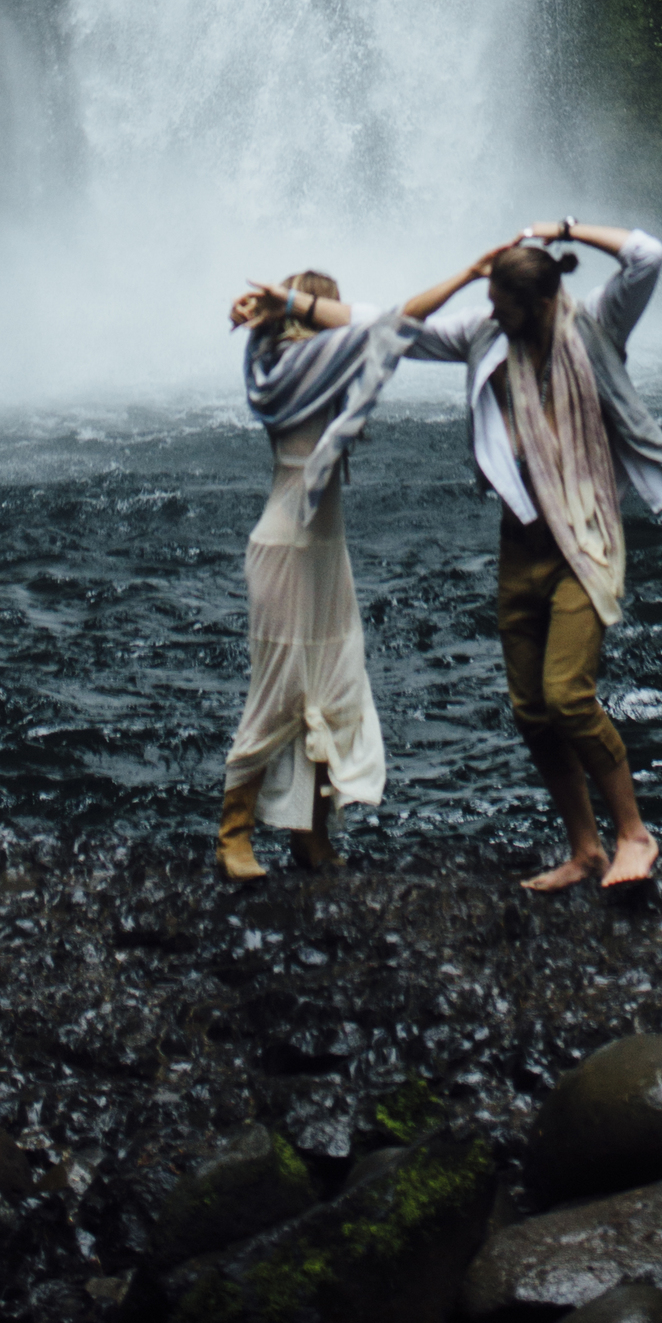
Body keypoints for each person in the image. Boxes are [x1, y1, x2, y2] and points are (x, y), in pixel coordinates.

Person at [400, 218, 662, 894]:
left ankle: (634, 836)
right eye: (490, 306)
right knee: (531, 708)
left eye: (506, 306)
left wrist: (567, 228)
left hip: (585, 538)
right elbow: (398, 332)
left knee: (567, 695)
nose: (495, 318)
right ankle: (584, 851)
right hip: (519, 541)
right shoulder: (485, 330)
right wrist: (469, 275)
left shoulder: (598, 324)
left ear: (544, 301)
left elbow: (647, 255)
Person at [215, 268, 411, 885]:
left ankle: (312, 835)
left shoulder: (318, 367)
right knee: (276, 694)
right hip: (286, 547)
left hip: (325, 547)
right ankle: (234, 835)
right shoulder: (295, 366)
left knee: (333, 685)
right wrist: (276, 313)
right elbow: (379, 326)